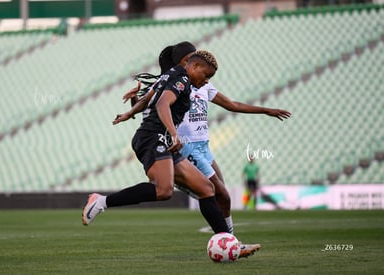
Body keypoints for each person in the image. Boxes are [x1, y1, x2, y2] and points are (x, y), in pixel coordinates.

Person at [82, 50, 259, 257]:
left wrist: (130, 112)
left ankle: (230, 244)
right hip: (152, 138)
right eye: (206, 75)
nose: (206, 81)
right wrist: (174, 134)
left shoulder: (171, 75)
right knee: (163, 191)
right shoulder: (181, 79)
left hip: (162, 139)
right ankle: (101, 201)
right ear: (193, 66)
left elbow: (150, 98)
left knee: (206, 188)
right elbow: (162, 103)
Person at [117, 41, 290, 234]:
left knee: (222, 196)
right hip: (186, 145)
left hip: (204, 145)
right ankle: (228, 241)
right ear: (187, 62)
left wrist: (265, 110)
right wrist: (132, 108)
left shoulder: (204, 84)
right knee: (216, 192)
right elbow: (152, 103)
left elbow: (232, 104)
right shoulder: (175, 82)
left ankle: (228, 239)